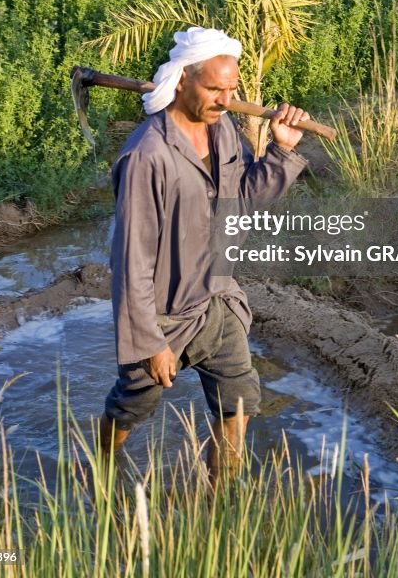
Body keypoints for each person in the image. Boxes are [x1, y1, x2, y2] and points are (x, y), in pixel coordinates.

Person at [98, 26, 309, 483]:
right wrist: (150, 341)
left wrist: (281, 150)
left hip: (216, 298)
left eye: (231, 90)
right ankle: (100, 464)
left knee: (238, 404)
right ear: (182, 81)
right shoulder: (147, 157)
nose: (225, 100)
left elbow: (242, 203)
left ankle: (220, 505)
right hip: (164, 314)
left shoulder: (225, 132)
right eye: (214, 89)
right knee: (134, 405)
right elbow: (130, 262)